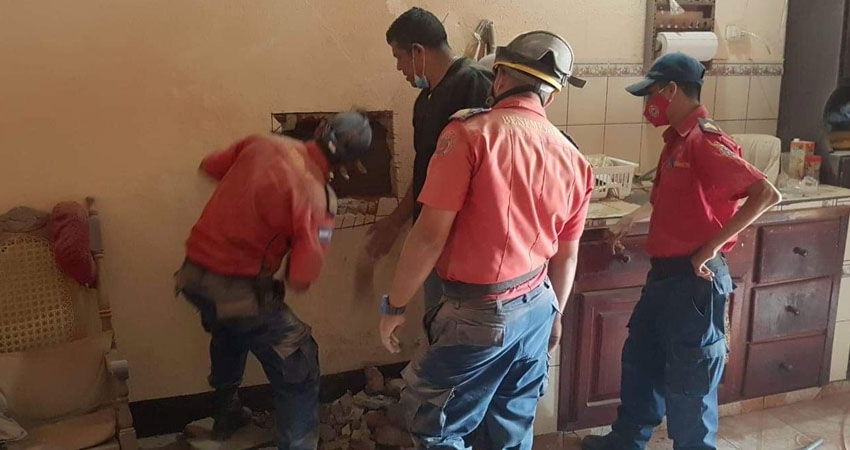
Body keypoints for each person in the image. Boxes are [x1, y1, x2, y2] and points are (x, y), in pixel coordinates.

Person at [378, 31, 592, 450]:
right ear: (551, 96)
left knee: (437, 428)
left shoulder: (469, 134)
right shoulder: (574, 158)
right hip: (537, 309)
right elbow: (567, 256)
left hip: (479, 316)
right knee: (509, 430)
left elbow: (428, 236)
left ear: (500, 78)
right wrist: (556, 315)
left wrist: (395, 306)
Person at [581, 53, 781, 450]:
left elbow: (765, 194)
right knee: (641, 359)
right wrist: (630, 219)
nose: (647, 104)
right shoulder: (677, 141)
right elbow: (664, 198)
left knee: (691, 381)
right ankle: (626, 441)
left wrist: (709, 248)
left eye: (652, 94)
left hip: (694, 280)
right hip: (664, 277)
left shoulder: (705, 141)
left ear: (671, 90)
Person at [174, 113, 372, 449]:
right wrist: (308, 233)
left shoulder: (262, 143)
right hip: (237, 289)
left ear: (320, 128)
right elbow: (301, 278)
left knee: (230, 330)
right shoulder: (319, 199)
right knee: (299, 358)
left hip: (193, 277)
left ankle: (226, 417)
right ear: (352, 164)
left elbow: (210, 166)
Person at [366, 7, 494, 311]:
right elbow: (427, 172)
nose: (399, 68)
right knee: (435, 321)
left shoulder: (475, 83)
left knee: (458, 325)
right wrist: (396, 221)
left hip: (468, 247)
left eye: (399, 57)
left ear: (417, 51)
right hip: (433, 243)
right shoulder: (424, 101)